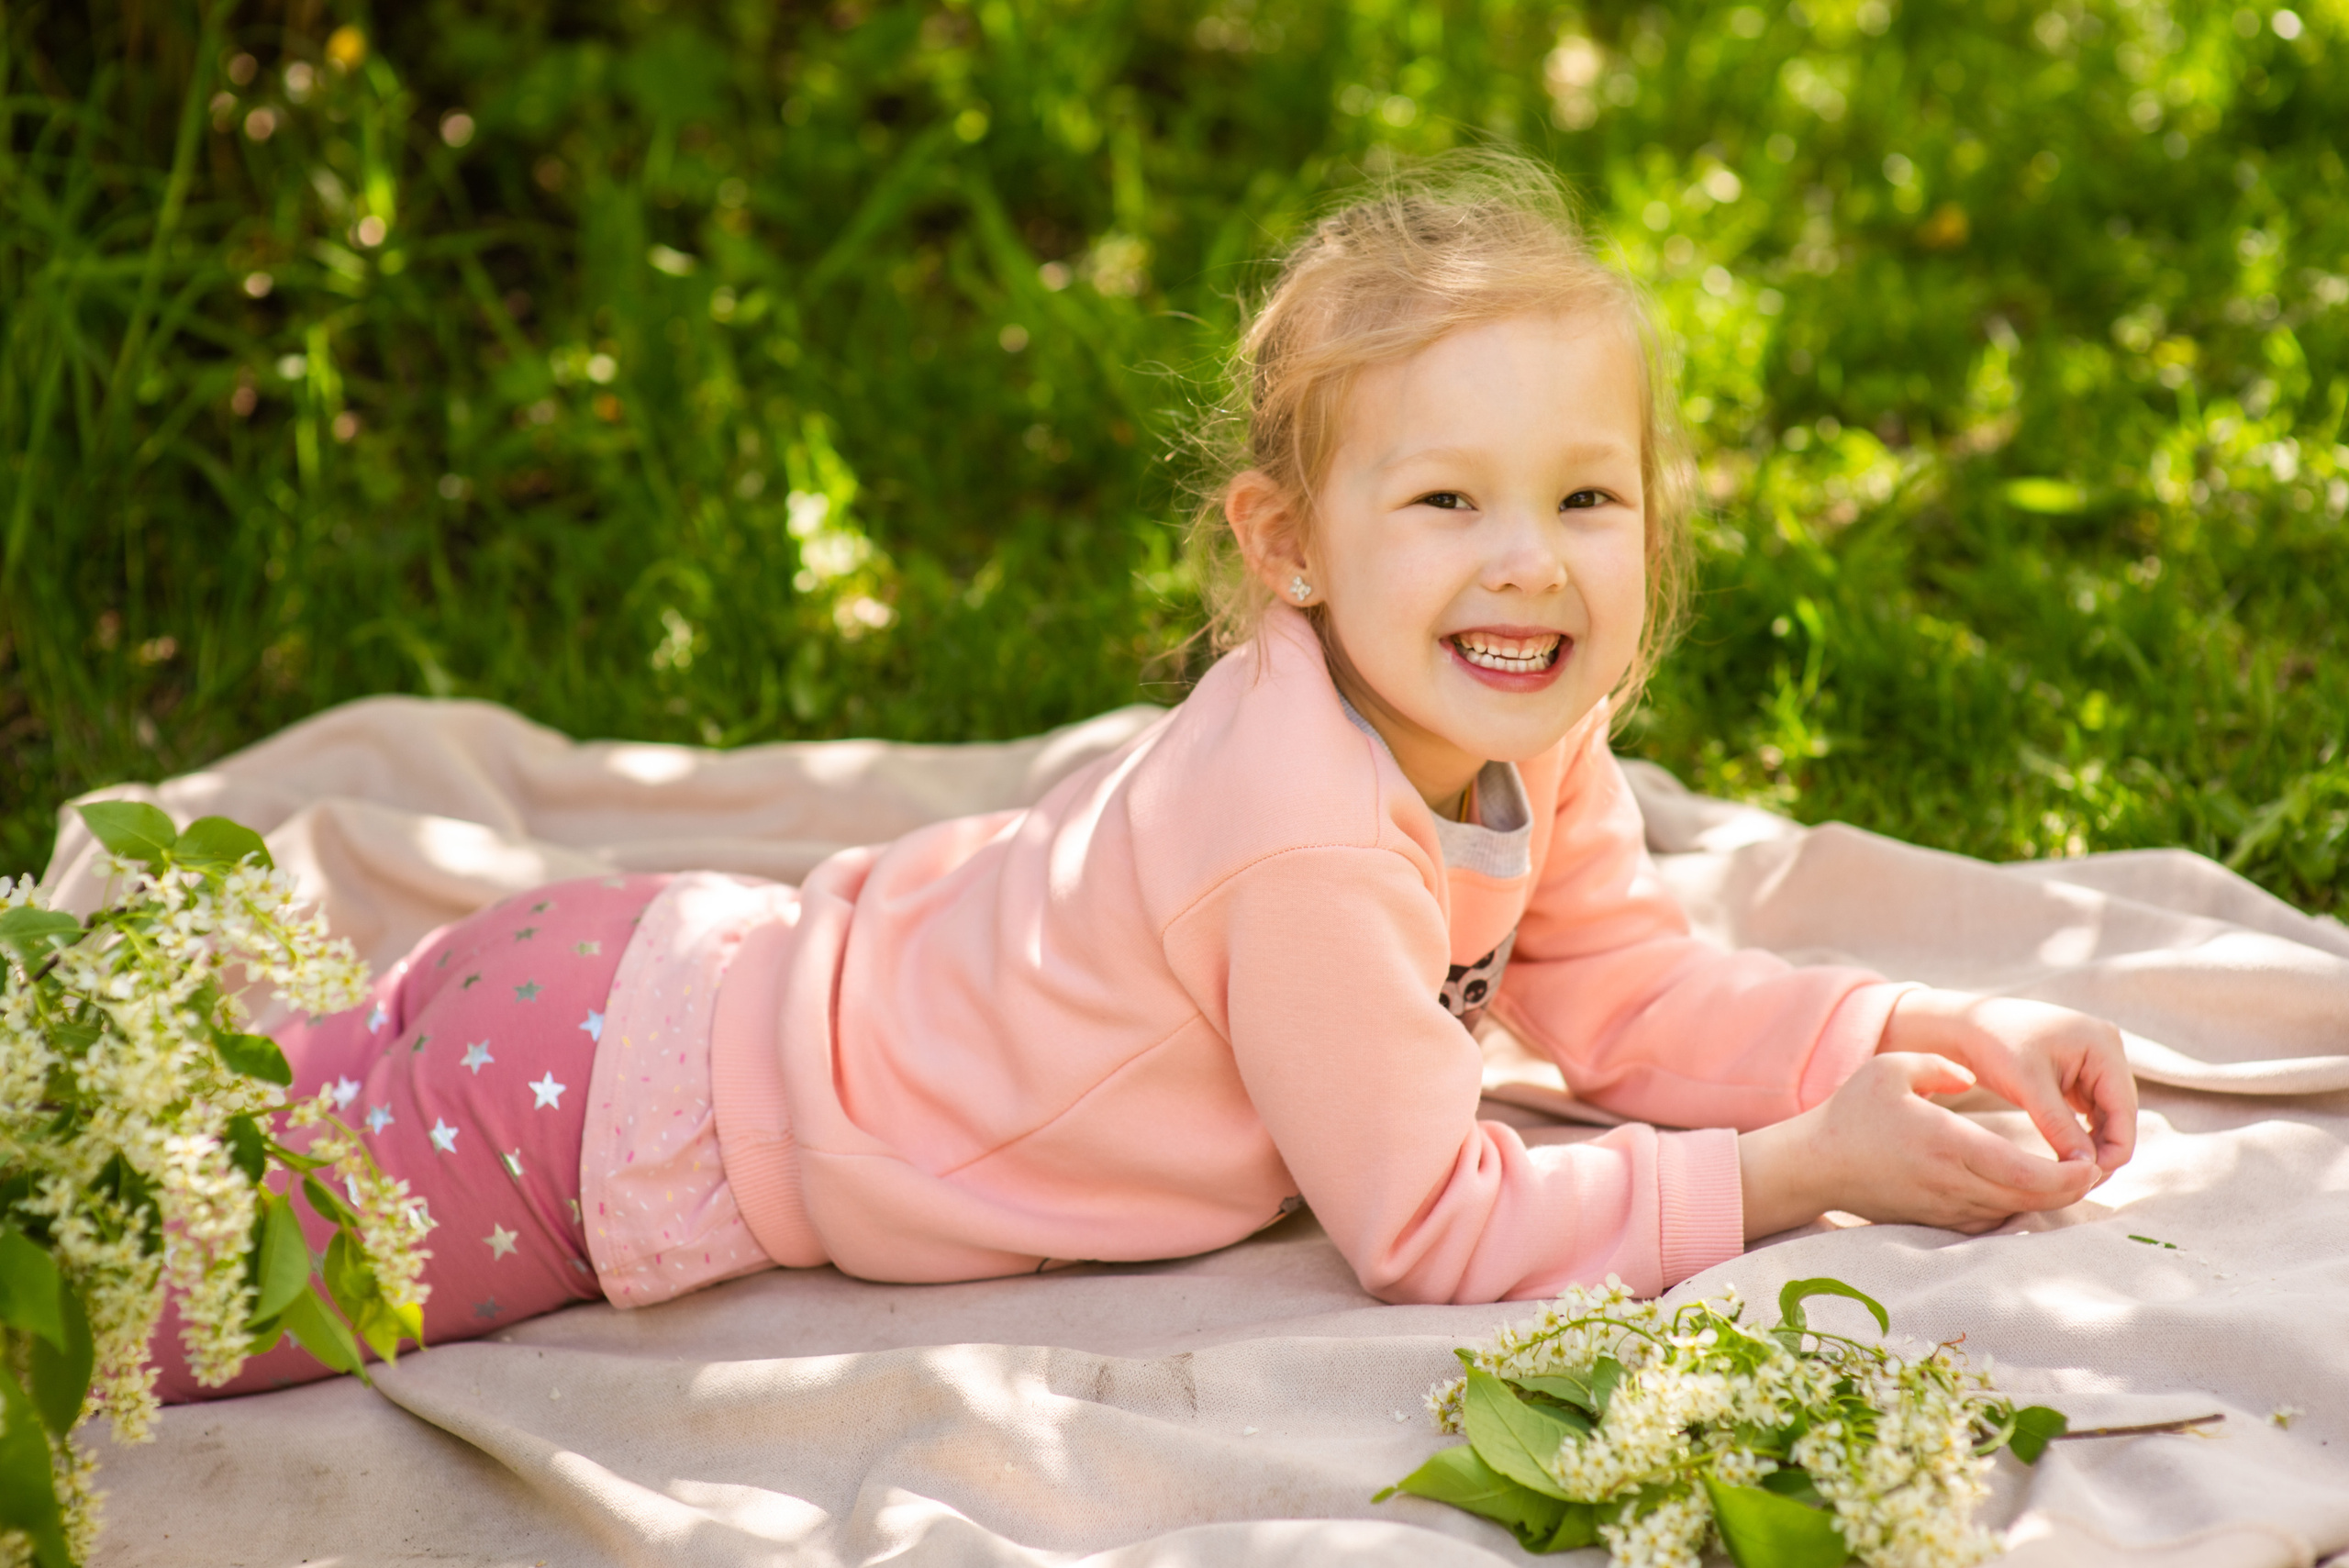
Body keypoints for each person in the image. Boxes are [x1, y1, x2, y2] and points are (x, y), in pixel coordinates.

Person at [160, 153, 2134, 1402]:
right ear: (1286, 544)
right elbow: (1429, 1223)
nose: (1525, 557)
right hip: (618, 1110)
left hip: (636, 987)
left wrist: (1924, 1030)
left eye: (1582, 498)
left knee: (193, 1126)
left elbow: (1627, 1003)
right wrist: (1794, 1174)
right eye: (1443, 498)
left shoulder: (1520, 730)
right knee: (148, 1309)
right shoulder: (1294, 833)